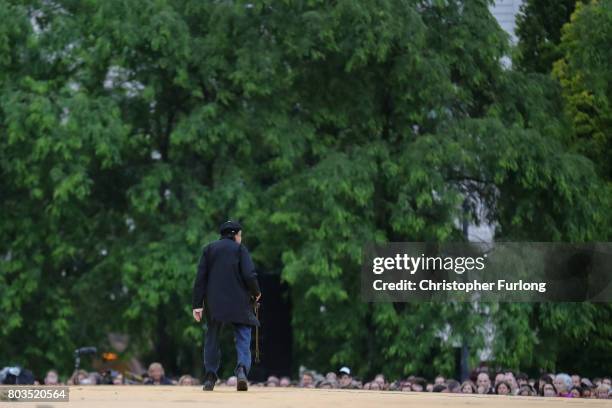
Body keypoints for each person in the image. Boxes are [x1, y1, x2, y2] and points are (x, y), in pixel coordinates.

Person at [192, 220, 262, 392]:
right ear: (236, 234)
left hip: (214, 303)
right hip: (239, 302)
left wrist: (197, 305)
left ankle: (210, 376)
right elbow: (249, 274)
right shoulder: (240, 249)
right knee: (243, 337)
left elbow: (200, 279)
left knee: (212, 338)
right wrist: (256, 292)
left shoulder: (209, 250)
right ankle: (241, 371)